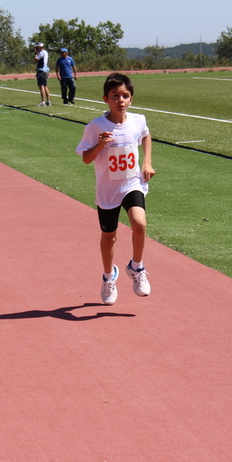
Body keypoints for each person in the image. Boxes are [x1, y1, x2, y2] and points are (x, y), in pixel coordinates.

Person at [76, 73, 155, 305]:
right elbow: (86, 159)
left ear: (131, 99)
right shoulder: (95, 127)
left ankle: (137, 267)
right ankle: (109, 276)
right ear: (105, 99)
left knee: (139, 224)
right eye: (115, 96)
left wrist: (147, 162)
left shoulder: (138, 120)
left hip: (132, 184)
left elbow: (146, 134)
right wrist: (100, 144)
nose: (120, 100)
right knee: (109, 237)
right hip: (107, 190)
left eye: (125, 96)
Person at [33, 42, 51, 107]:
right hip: (45, 70)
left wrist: (35, 54)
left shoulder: (41, 53)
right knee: (45, 86)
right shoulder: (45, 52)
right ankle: (48, 101)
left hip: (41, 70)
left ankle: (43, 102)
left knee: (41, 86)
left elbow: (35, 60)